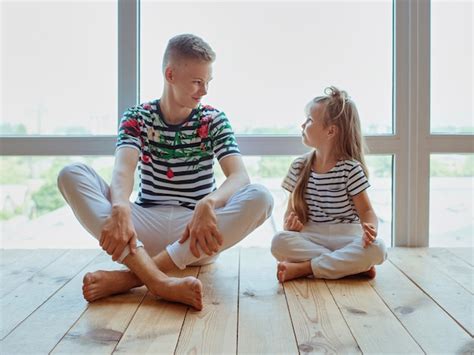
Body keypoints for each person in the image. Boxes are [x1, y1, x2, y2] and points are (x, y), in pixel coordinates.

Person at [58, 34, 273, 310]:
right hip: (142, 228)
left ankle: (130, 279)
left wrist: (209, 202)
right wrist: (121, 206)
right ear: (170, 74)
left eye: (208, 82)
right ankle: (159, 282)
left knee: (262, 197)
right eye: (197, 82)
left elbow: (240, 176)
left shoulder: (213, 119)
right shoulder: (137, 116)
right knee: (71, 174)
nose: (204, 90)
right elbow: (124, 167)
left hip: (195, 234)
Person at [271, 86, 386, 283]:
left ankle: (306, 268)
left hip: (346, 236)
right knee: (279, 242)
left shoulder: (350, 169)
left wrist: (370, 229)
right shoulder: (299, 166)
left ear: (330, 131)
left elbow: (367, 212)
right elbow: (290, 215)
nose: (302, 124)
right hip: (312, 235)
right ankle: (350, 267)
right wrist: (291, 225)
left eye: (309, 120)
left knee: (378, 248)